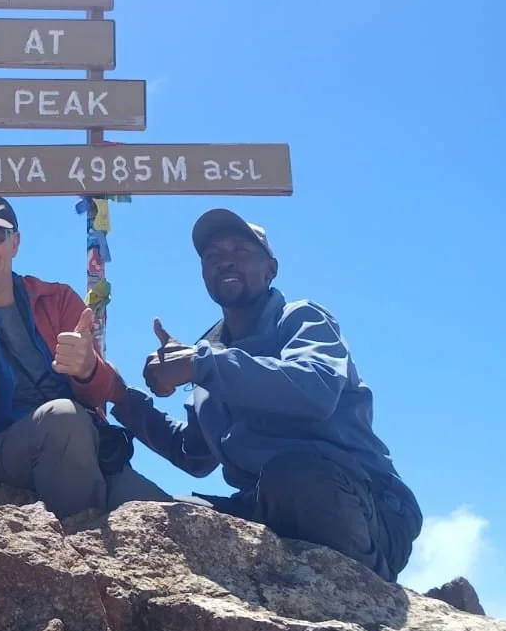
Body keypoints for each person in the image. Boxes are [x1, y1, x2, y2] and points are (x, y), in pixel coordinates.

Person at [111, 207, 422, 580]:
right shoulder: (210, 349)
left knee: (293, 474)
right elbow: (195, 456)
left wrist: (200, 366)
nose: (226, 261)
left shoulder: (300, 318)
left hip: (363, 504)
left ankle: (364, 595)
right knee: (169, 518)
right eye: (212, 257)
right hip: (267, 506)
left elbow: (317, 388)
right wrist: (120, 397)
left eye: (241, 252)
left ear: (270, 269)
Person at [0, 192, 169, 521]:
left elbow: (100, 393)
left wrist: (87, 369)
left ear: (15, 243)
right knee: (62, 417)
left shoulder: (59, 300)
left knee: (174, 518)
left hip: (85, 449)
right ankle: (85, 550)